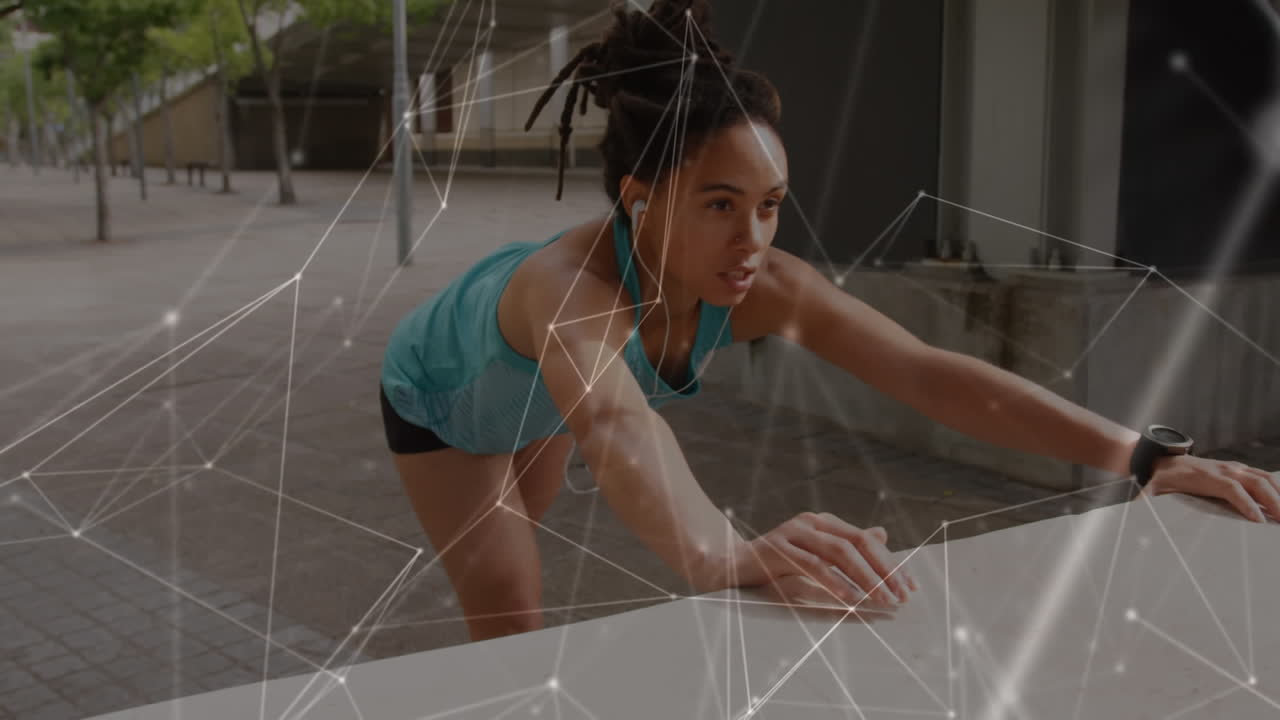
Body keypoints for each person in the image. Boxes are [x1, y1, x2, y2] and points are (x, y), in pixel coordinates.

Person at [380, 0, 1278, 643]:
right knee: (510, 611)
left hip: (546, 400)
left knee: (525, 523)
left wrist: (1147, 456)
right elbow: (617, 422)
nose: (751, 241)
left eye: (770, 205)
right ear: (639, 198)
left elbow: (927, 373)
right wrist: (722, 554)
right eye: (719, 205)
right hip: (444, 402)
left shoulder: (767, 280)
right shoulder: (565, 291)